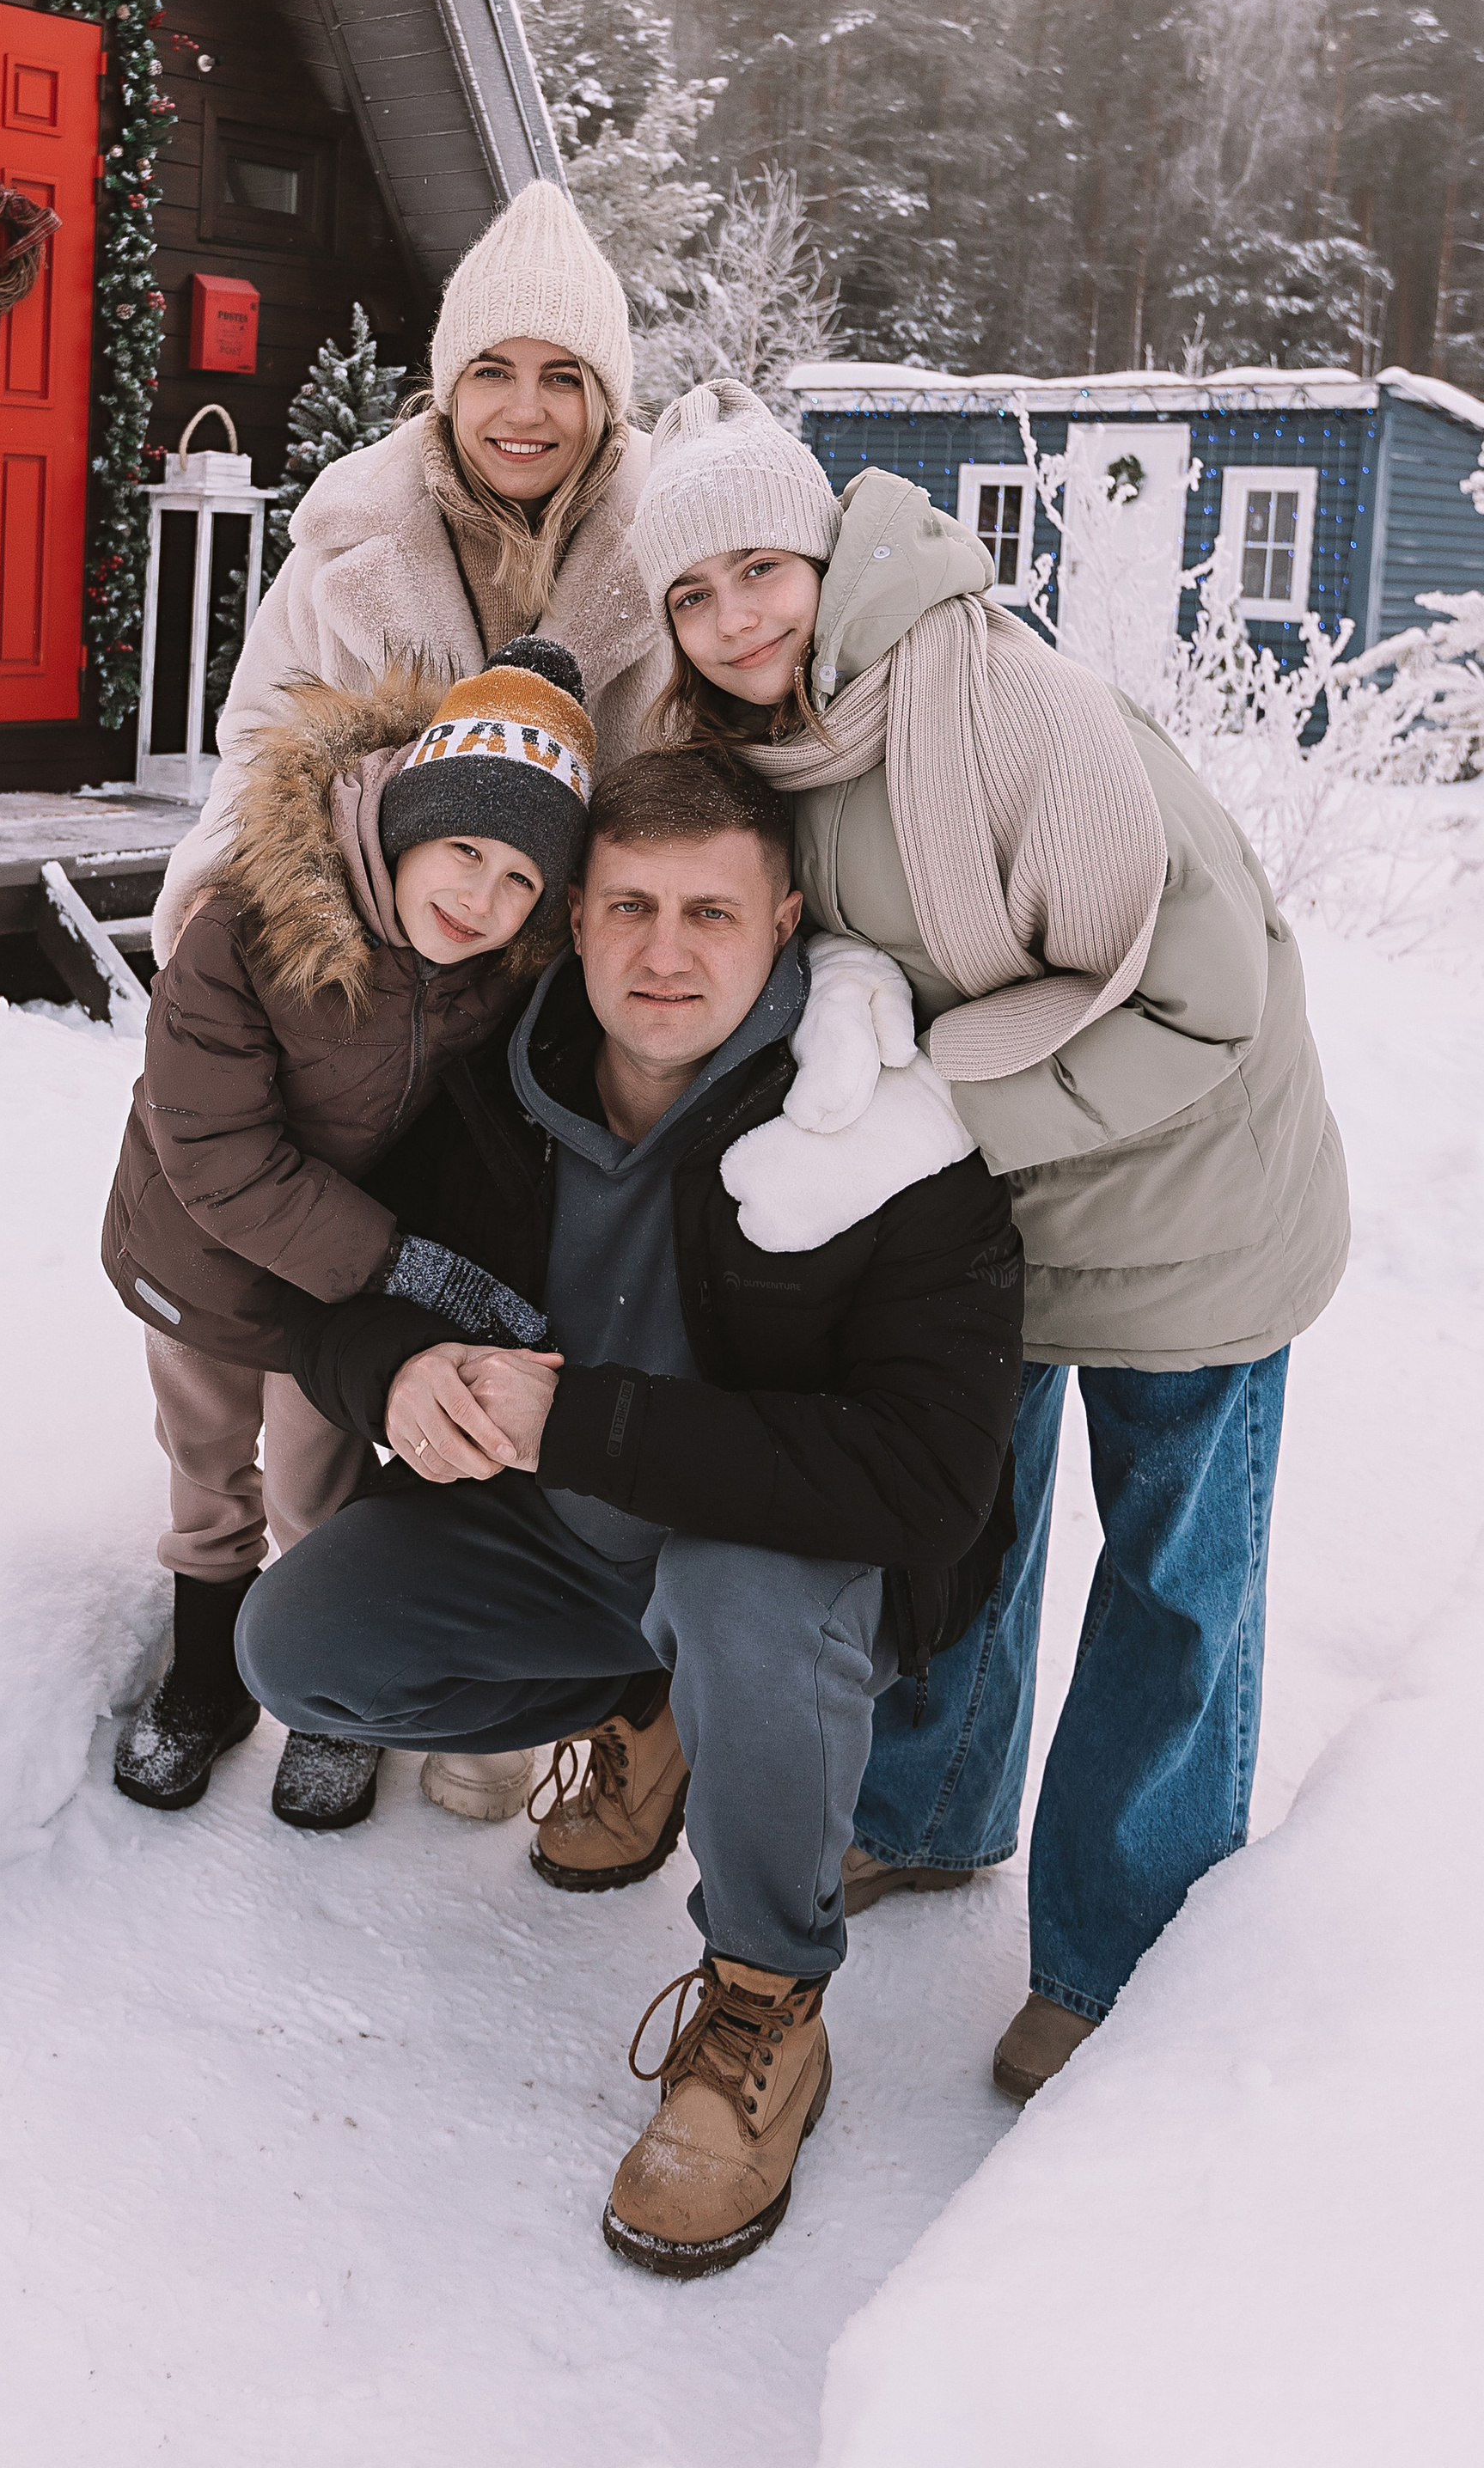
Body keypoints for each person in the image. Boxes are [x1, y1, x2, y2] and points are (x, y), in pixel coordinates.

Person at [629, 380, 1349, 2098]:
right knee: (959, 1521)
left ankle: (1119, 1946)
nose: (732, 618)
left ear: (821, 550)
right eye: (689, 591)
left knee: (1172, 1578)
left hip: (1190, 1184)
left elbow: (1200, 1001)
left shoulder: (1006, 704)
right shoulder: (767, 750)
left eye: (759, 568)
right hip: (996, 1212)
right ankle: (929, 1810)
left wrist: (935, 1106)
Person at [236, 748, 1023, 2276]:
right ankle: (665, 1710)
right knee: (301, 1646)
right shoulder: (490, 1091)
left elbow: (931, 1478)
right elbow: (325, 1299)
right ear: (577, 920)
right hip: (563, 1542)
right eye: (633, 909)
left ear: (784, 924)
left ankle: (764, 2005)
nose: (667, 955)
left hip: (781, 1569)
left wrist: (588, 1420)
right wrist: (395, 1373)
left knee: (734, 1591)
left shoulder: (888, 1136)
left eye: (713, 916)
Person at [102, 639, 596, 1831]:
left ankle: (325, 1694)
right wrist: (402, 1262)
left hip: (329, 1296)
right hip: (200, 1254)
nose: (479, 898)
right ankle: (207, 1677)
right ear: (407, 818)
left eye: (519, 880)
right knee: (208, 1466)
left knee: (317, 1485)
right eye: (465, 849)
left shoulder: (490, 973)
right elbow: (216, 1155)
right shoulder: (249, 923)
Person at [150, 177, 669, 969]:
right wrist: (212, 898)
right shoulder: (349, 542)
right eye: (493, 372)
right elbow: (261, 745)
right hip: (387, 976)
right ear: (450, 385)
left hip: (595, 973)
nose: (524, 411)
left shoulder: (676, 553)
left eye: (562, 377)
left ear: (604, 400)